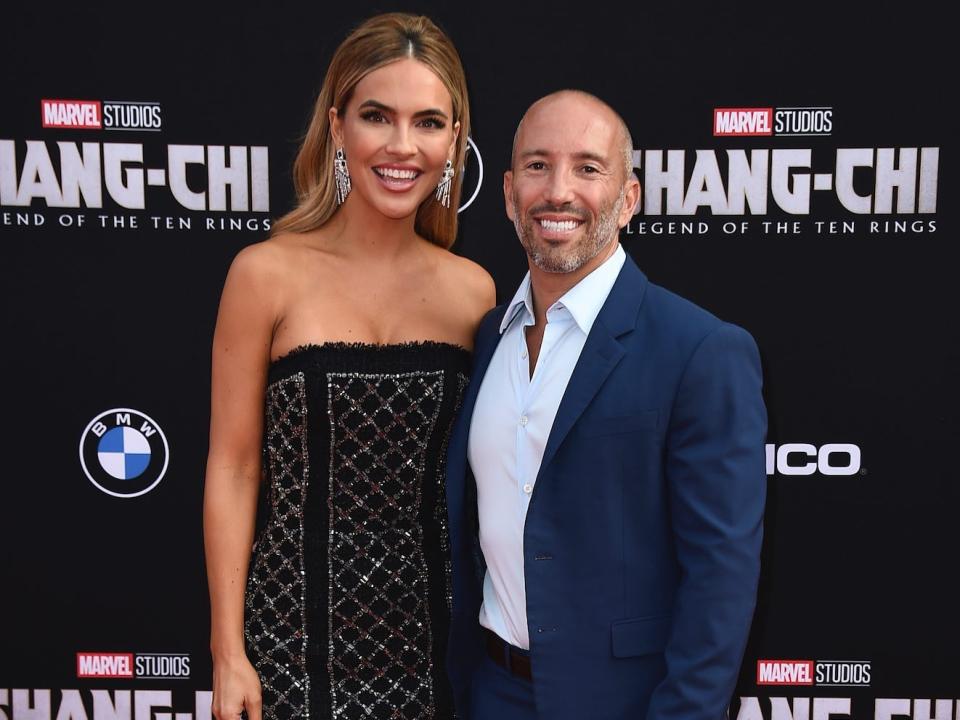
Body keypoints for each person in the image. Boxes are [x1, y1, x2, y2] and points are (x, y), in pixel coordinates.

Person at [203, 13, 494, 720]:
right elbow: (235, 469)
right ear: (337, 128)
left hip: (437, 649)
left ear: (454, 140)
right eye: (376, 116)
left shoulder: (475, 292)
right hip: (286, 643)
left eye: (428, 122)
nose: (402, 146)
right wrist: (228, 653)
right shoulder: (264, 275)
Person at [444, 90, 767, 719]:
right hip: (492, 692)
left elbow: (720, 577)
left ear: (628, 199)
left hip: (625, 702)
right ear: (509, 193)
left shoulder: (701, 350)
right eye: (538, 166)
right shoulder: (487, 338)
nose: (558, 191)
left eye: (588, 168)